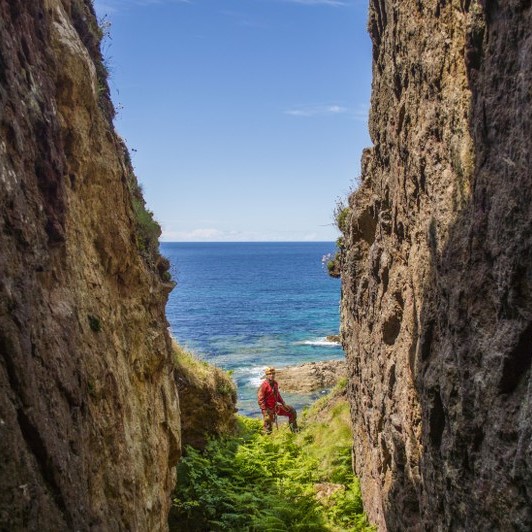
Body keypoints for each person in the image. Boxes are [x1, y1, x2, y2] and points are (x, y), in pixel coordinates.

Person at [257, 367, 298, 433]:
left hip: (275, 407)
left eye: (273, 373)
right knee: (268, 428)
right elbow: (260, 400)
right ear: (266, 375)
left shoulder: (275, 383)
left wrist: (283, 403)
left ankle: (294, 431)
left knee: (292, 411)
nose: (272, 375)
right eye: (269, 374)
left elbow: (277, 394)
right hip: (268, 410)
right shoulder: (264, 386)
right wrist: (265, 412)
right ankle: (265, 440)